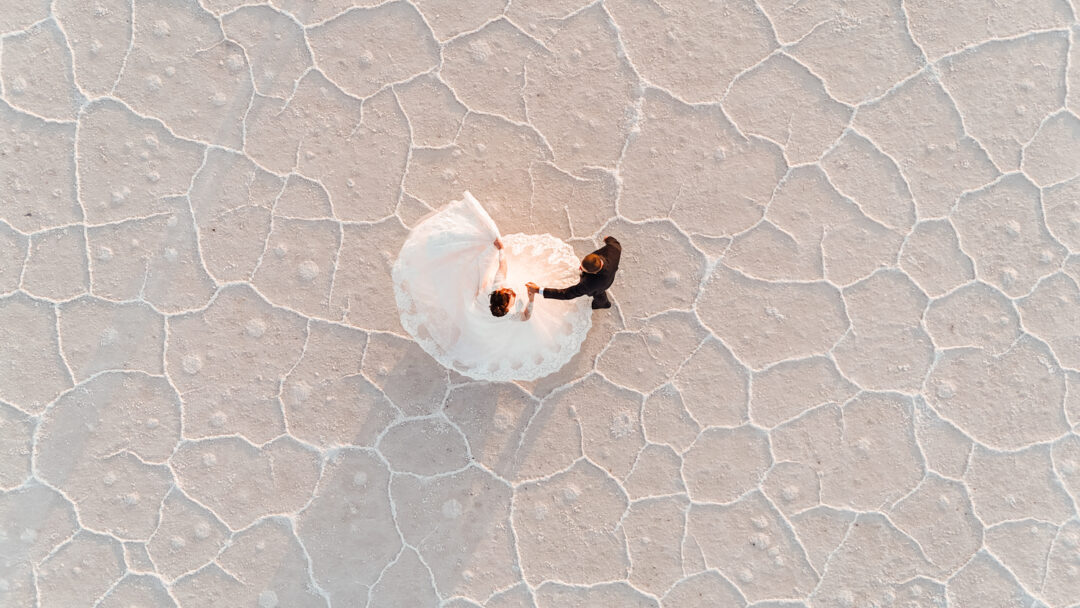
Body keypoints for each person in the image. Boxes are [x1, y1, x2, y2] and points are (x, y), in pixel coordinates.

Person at [391, 192, 592, 382]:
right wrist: (530, 298)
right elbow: (525, 317)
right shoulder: (505, 306)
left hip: (476, 315)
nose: (513, 297)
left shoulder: (493, 288)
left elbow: (502, 267)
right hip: (478, 315)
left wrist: (501, 251)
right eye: (512, 299)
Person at [527, 236, 621, 310]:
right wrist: (608, 239)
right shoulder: (613, 250)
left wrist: (538, 290)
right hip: (610, 276)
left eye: (583, 269)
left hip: (600, 284)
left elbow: (566, 294)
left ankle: (604, 304)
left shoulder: (588, 285)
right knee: (599, 292)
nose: (580, 268)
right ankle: (604, 303)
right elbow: (615, 243)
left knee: (598, 293)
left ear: (594, 272)